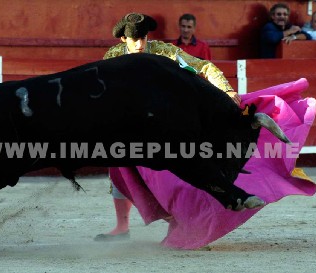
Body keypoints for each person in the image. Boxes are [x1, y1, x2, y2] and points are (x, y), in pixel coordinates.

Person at [94, 12, 241, 241]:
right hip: (131, 122)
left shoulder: (163, 51)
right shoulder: (113, 56)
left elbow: (202, 67)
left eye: (143, 37)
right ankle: (122, 228)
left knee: (166, 173)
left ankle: (181, 221)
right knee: (119, 168)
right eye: (135, 39)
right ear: (124, 39)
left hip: (165, 121)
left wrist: (227, 89)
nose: (141, 44)